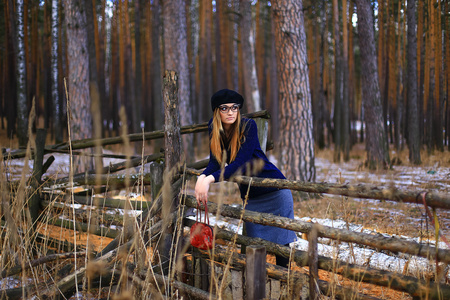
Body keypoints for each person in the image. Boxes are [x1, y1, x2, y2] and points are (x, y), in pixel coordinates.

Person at [195, 89, 297, 267]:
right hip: (251, 197)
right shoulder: (214, 126)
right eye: (224, 108)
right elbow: (215, 161)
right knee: (254, 248)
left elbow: (240, 164)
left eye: (234, 107)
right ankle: (256, 288)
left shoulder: (248, 126)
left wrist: (210, 180)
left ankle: (283, 285)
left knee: (282, 246)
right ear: (216, 111)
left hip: (275, 192)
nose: (230, 112)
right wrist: (201, 177)